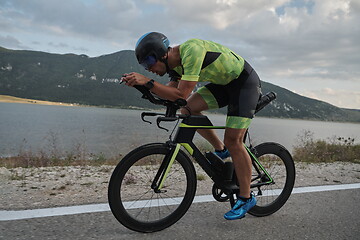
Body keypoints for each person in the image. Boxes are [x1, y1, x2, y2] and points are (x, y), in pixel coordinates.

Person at [122, 32, 261, 220]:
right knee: (187, 110)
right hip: (223, 85)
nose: (148, 69)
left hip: (243, 83)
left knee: (234, 141)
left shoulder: (191, 50)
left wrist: (148, 82)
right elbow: (172, 95)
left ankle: (246, 197)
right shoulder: (175, 67)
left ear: (161, 54)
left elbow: (181, 94)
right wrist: (144, 87)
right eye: (144, 66)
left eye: (148, 62)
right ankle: (221, 150)